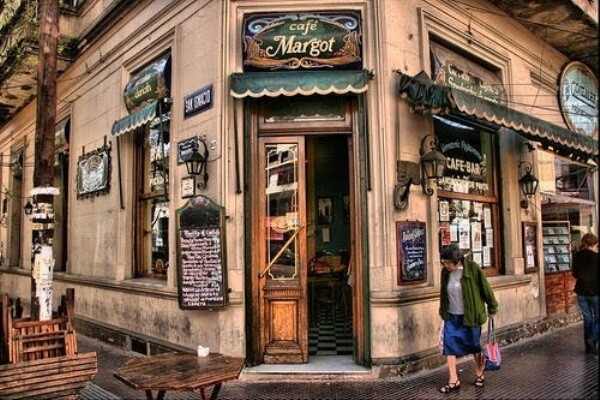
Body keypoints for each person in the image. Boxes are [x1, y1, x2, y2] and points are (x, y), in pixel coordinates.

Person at [438, 244, 498, 394]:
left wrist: (492, 307)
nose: (445, 265)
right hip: (452, 316)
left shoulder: (473, 269)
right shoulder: (445, 273)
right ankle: (453, 380)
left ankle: (479, 373)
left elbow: (485, 289)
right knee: (449, 346)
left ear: (457, 261)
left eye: (447, 263)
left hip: (470, 316)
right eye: (443, 262)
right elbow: (443, 293)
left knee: (474, 346)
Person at [572, 233, 599, 355]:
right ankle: (592, 339)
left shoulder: (577, 256)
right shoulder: (596, 257)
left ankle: (589, 348)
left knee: (587, 319)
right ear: (594, 244)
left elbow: (575, 274)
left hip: (581, 291)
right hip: (595, 291)